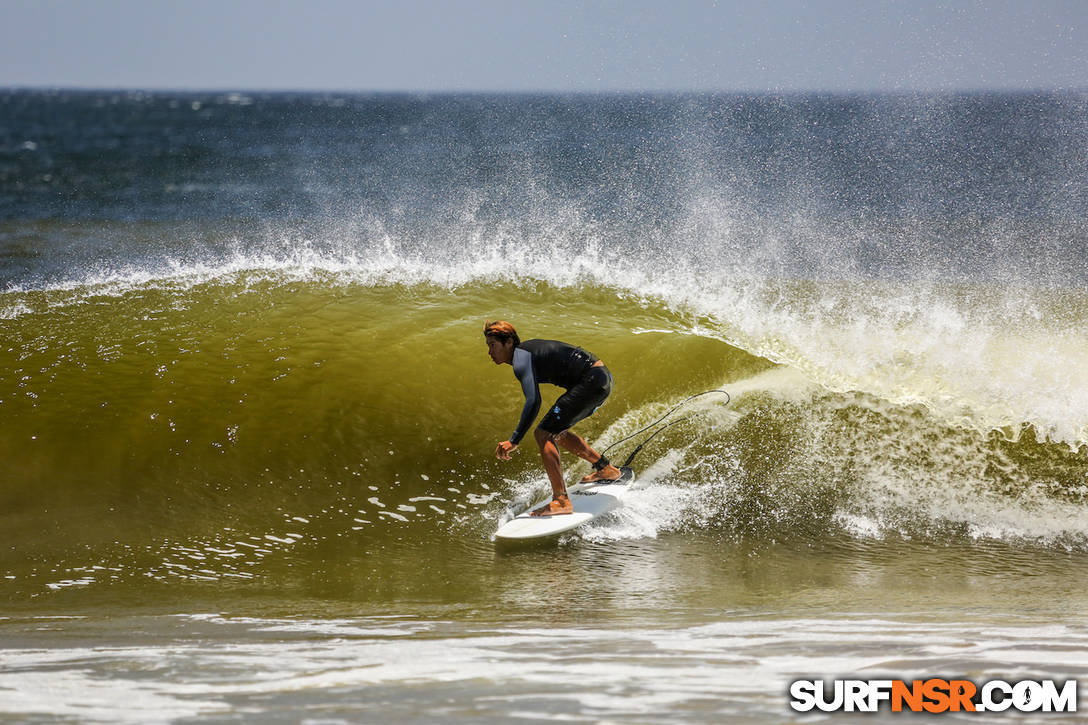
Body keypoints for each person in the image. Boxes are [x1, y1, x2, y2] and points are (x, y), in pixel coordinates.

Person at [485, 320, 622, 516]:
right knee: (557, 432)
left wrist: (514, 439)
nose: (490, 352)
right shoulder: (525, 352)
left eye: (493, 346)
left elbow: (533, 401)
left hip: (591, 380)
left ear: (508, 343)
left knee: (543, 434)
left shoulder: (521, 358)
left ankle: (561, 500)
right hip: (601, 379)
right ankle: (606, 469)